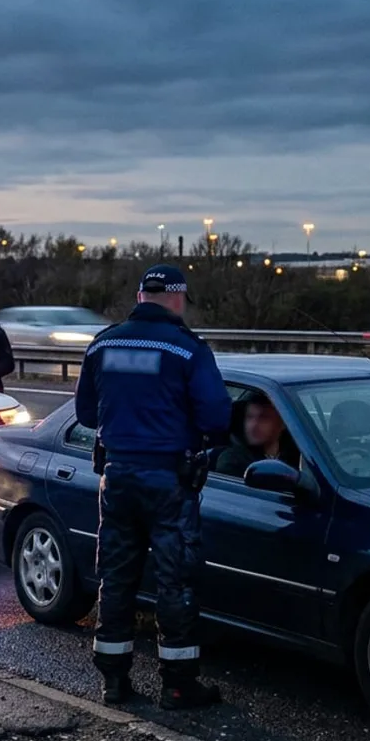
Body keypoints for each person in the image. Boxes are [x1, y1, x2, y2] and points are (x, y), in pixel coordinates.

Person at [74, 264, 232, 709]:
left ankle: (114, 682)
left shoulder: (104, 343)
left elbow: (86, 413)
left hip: (118, 477)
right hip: (169, 480)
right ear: (178, 299)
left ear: (140, 296)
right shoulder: (187, 350)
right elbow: (217, 418)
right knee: (175, 580)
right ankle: (178, 684)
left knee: (117, 578)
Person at [214, 394, 300, 478]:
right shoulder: (232, 459)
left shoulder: (298, 453)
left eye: (263, 418)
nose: (253, 425)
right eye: (250, 417)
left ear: (282, 424)